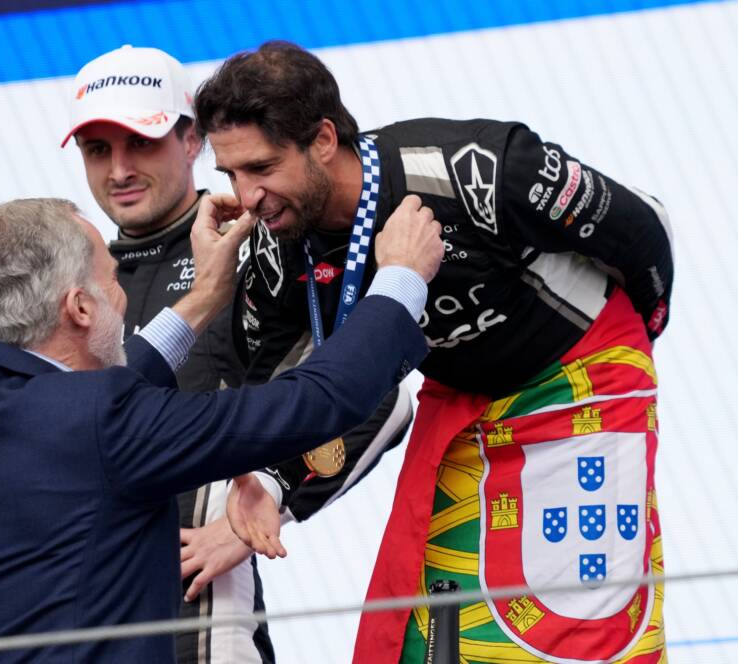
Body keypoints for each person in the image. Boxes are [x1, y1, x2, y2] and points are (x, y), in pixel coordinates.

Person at [194, 41, 674, 664]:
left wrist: (636, 354)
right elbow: (272, 389)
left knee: (573, 625)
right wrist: (268, 480)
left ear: (321, 139)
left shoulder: (477, 168)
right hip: (466, 406)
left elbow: (643, 230)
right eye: (231, 175)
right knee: (430, 629)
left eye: (261, 168)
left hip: (582, 384)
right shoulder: (275, 248)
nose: (248, 195)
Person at [0, 196, 441, 662]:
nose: (123, 299)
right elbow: (309, 404)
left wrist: (206, 294)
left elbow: (86, 406)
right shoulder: (101, 424)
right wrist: (400, 280)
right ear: (81, 307)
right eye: (112, 282)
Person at [62, 45, 415, 663]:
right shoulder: (73, 279)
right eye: (98, 149)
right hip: (84, 628)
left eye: (140, 142)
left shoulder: (256, 246)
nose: (118, 169)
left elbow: (378, 392)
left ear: (192, 139)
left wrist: (264, 504)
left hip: (204, 627)